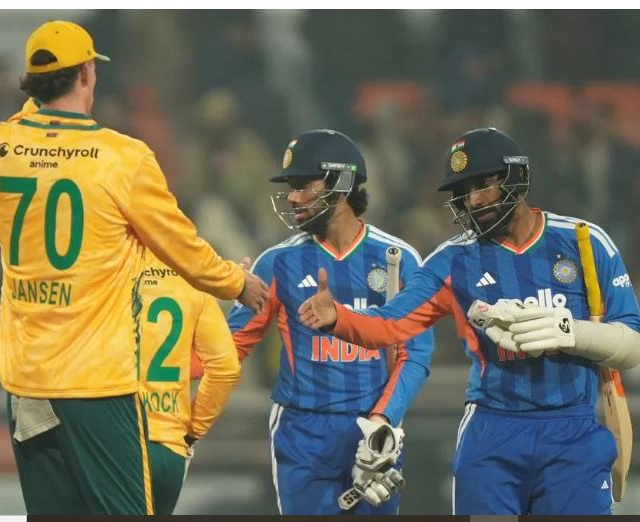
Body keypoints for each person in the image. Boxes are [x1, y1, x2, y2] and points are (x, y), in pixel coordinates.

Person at [0, 21, 267, 515]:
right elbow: (182, 246)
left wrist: (35, 116)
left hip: (25, 380)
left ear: (32, 84)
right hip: (95, 381)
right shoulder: (123, 157)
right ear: (87, 73)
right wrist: (237, 283)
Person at [299, 127, 640, 515]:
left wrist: (570, 331)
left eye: (483, 184)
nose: (473, 200)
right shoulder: (452, 259)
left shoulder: (584, 241)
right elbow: (391, 324)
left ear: (516, 176)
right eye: (463, 192)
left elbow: (632, 343)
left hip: (574, 431)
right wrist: (338, 317)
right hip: (492, 433)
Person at [227, 129, 434, 515]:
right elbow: (228, 348)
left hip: (374, 430)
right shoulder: (276, 263)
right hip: (302, 433)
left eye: (303, 185)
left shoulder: (399, 258)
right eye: (290, 187)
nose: (292, 197)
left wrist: (382, 421)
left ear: (340, 183)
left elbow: (416, 353)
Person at [137, 250, 242, 514]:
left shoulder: (109, 268)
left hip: (116, 442)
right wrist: (192, 433)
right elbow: (226, 368)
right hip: (170, 445)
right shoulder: (193, 275)